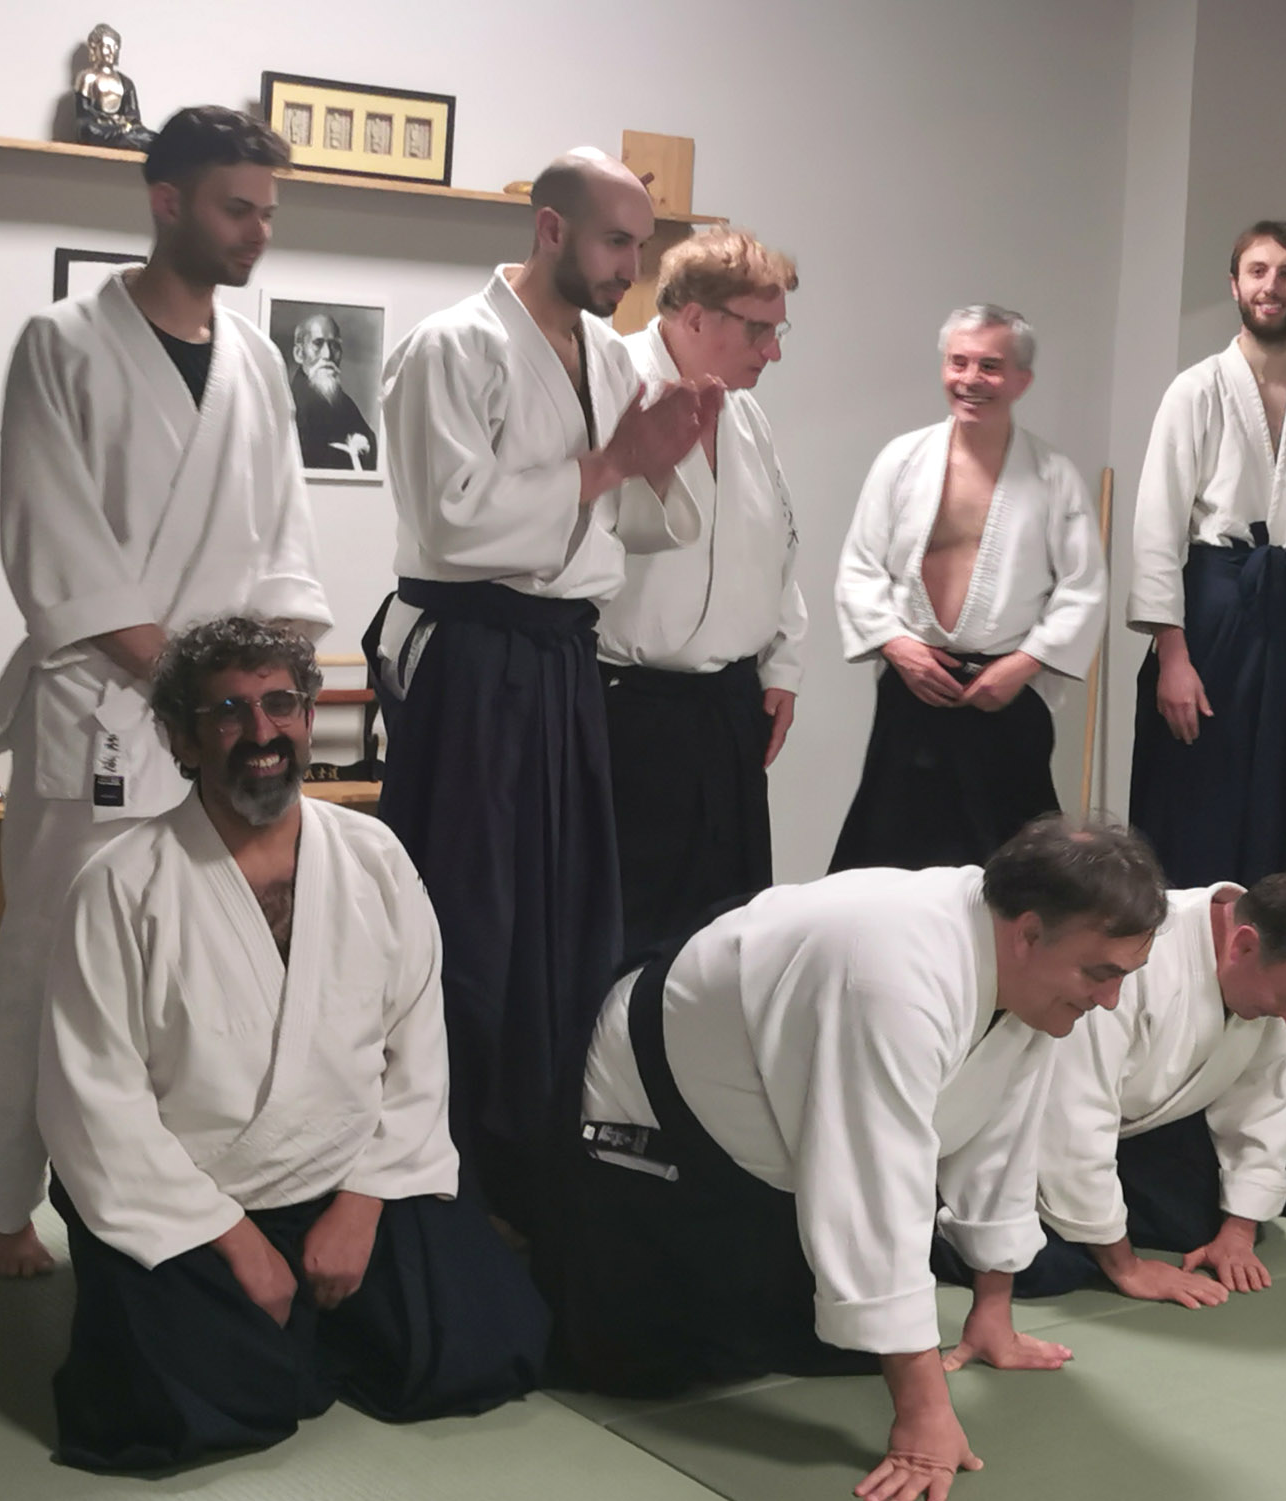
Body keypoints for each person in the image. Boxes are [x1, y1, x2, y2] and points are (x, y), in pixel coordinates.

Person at [35, 618, 546, 1472]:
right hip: (192, 1200)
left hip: (346, 1173)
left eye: (280, 705)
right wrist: (235, 1242)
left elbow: (418, 1044)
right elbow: (93, 1102)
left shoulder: (373, 857)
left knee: (487, 1350)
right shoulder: (120, 886)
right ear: (181, 738)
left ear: (309, 720)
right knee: (177, 1416)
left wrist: (363, 1203)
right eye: (229, 711)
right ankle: (285, 1326)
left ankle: (309, 1325)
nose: (262, 732)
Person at [0, 107, 331, 1278]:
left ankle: (177, 1201)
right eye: (236, 207)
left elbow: (285, 544)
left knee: (206, 963)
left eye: (268, 211)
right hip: (107, 714)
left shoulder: (259, 361)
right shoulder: (62, 344)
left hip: (226, 722)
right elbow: (57, 551)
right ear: (166, 201)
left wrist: (258, 697)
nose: (257, 230)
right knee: (49, 963)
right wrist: (196, 690)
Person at [558, 817, 1167, 1501]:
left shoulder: (1027, 968)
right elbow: (873, 1183)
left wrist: (991, 1310)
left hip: (787, 1131)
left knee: (846, 1342)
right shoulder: (891, 972)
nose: (1110, 1000)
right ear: (1029, 933)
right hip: (661, 1119)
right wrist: (921, 1417)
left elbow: (1002, 1133)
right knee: (648, 1369)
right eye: (1101, 973)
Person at [369, 148, 718, 1229]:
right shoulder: (451, 347)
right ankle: (433, 1162)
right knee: (469, 916)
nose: (631, 268)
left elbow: (623, 527)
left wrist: (664, 455)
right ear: (550, 228)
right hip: (472, 656)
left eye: (642, 247)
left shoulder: (607, 357)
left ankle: (532, 1157)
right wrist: (614, 463)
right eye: (616, 242)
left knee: (563, 918)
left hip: (565, 660)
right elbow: (452, 520)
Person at [1127, 221, 1286, 886]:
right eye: (1258, 271)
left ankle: (1274, 942)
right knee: (1198, 791)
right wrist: (1171, 656)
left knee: (1284, 800)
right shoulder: (1196, 390)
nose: (1273, 286)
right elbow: (1157, 527)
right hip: (1214, 607)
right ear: (1235, 285)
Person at [988, 870, 1286, 1308]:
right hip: (1023, 1121)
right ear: (1244, 946)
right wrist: (1127, 1267)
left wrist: (1238, 1233)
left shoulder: (1271, 972)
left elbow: (1265, 1100)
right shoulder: (1135, 952)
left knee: (1200, 1224)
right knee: (1044, 1267)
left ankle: (1081, 1224)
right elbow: (1074, 1116)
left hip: (1137, 1127)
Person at [830, 306, 1106, 871]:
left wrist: (1024, 664)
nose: (970, 379)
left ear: (1022, 380)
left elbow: (1083, 587)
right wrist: (896, 646)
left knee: (1014, 868)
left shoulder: (1053, 475)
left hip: (1005, 694)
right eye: (958, 362)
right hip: (914, 688)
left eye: (990, 366)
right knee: (889, 856)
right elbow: (860, 566)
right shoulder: (902, 460)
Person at [597, 229, 808, 954]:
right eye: (758, 331)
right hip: (629, 709)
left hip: (728, 709)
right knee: (634, 931)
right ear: (693, 317)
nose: (772, 352)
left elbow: (779, 547)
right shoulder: (611, 385)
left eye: (779, 332)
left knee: (727, 932)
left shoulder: (744, 412)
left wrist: (782, 669)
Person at [288, 312, 378, 472]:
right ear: (299, 354)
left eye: (334, 345)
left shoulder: (344, 403)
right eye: (318, 344)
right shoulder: (290, 402)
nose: (328, 354)